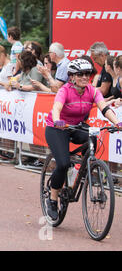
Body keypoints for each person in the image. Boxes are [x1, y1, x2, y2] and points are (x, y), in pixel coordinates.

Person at [44, 59, 121, 220]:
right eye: (80, 74)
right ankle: (52, 199)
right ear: (72, 76)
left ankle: (82, 173)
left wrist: (117, 122)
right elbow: (56, 107)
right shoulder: (64, 90)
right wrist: (58, 120)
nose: (85, 77)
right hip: (57, 127)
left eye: (88, 74)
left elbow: (104, 107)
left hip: (77, 126)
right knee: (63, 163)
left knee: (92, 140)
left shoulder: (92, 91)